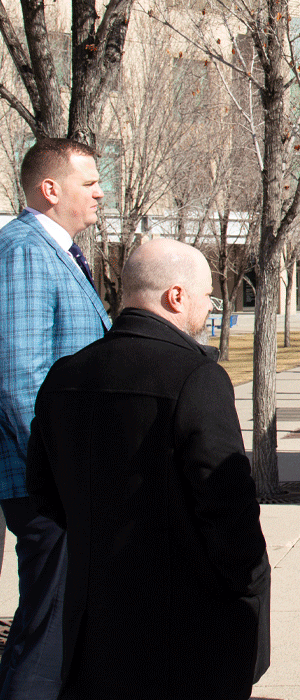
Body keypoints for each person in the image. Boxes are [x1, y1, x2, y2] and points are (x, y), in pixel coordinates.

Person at [25, 239, 270, 700]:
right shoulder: (196, 378)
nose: (207, 309)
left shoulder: (63, 377)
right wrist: (250, 589)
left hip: (92, 633)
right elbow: (230, 512)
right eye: (208, 299)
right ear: (176, 297)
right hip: (186, 639)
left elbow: (43, 493)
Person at [0, 138, 112, 699]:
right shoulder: (24, 249)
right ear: (50, 190)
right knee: (45, 638)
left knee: (59, 630)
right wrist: (57, 478)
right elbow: (20, 379)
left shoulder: (59, 252)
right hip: (44, 485)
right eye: (89, 182)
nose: (100, 192)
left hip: (63, 480)